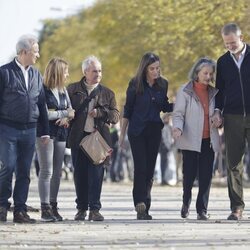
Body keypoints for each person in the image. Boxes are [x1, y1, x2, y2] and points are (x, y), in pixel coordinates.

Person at [0, 34, 49, 223]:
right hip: (7, 128)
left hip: (30, 130)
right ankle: (2, 205)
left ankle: (20, 210)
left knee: (24, 171)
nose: (38, 55)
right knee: (8, 167)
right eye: (35, 51)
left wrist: (44, 130)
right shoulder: (4, 72)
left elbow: (41, 103)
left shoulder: (37, 74)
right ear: (23, 52)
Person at [119, 52, 173, 220]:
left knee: (150, 170)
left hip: (154, 131)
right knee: (141, 167)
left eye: (158, 68)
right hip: (137, 131)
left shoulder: (163, 84)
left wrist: (182, 104)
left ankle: (145, 208)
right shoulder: (135, 84)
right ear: (144, 69)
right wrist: (121, 136)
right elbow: (127, 110)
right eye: (152, 69)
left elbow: (164, 106)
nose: (156, 71)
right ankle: (139, 203)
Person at [67, 55, 119, 221]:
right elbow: (66, 109)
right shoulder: (72, 89)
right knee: (80, 175)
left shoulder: (108, 93)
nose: (98, 73)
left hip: (99, 141)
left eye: (100, 70)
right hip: (78, 139)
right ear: (85, 72)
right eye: (94, 70)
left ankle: (94, 209)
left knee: (97, 175)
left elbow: (116, 116)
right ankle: (81, 208)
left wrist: (100, 113)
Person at [172, 57, 220, 220]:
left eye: (210, 74)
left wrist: (219, 118)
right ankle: (186, 202)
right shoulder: (185, 90)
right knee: (189, 175)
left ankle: (202, 209)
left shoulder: (215, 92)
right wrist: (177, 127)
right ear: (197, 73)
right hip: (190, 139)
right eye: (205, 73)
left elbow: (220, 112)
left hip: (209, 140)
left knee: (206, 176)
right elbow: (178, 113)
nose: (208, 76)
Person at [212, 23, 250, 220]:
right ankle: (237, 207)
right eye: (226, 44)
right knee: (234, 163)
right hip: (232, 117)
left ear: (241, 37)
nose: (230, 47)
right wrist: (218, 111)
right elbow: (220, 90)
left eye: (233, 43)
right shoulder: (223, 62)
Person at [36, 57, 75, 222]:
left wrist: (67, 118)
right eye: (65, 71)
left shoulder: (63, 90)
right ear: (58, 72)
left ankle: (53, 205)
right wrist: (63, 114)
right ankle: (44, 208)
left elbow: (71, 111)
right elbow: (45, 113)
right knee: (46, 171)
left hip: (61, 134)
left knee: (57, 173)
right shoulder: (42, 90)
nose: (67, 74)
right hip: (45, 133)